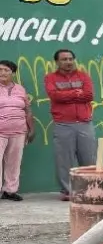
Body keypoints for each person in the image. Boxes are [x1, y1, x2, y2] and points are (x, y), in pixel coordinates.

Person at [44, 48, 97, 201]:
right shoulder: (51, 78)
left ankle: (90, 189)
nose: (68, 62)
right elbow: (54, 96)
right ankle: (68, 191)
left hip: (84, 123)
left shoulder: (83, 76)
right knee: (64, 160)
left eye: (70, 59)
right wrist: (76, 93)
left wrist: (68, 94)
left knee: (88, 158)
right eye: (64, 59)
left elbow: (89, 95)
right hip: (63, 124)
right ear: (57, 62)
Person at [0, 60, 37, 201]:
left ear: (13, 73)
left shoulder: (20, 89)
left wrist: (31, 129)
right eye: (0, 70)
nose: (2, 73)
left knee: (14, 162)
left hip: (19, 131)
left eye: (6, 70)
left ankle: (10, 191)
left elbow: (27, 110)